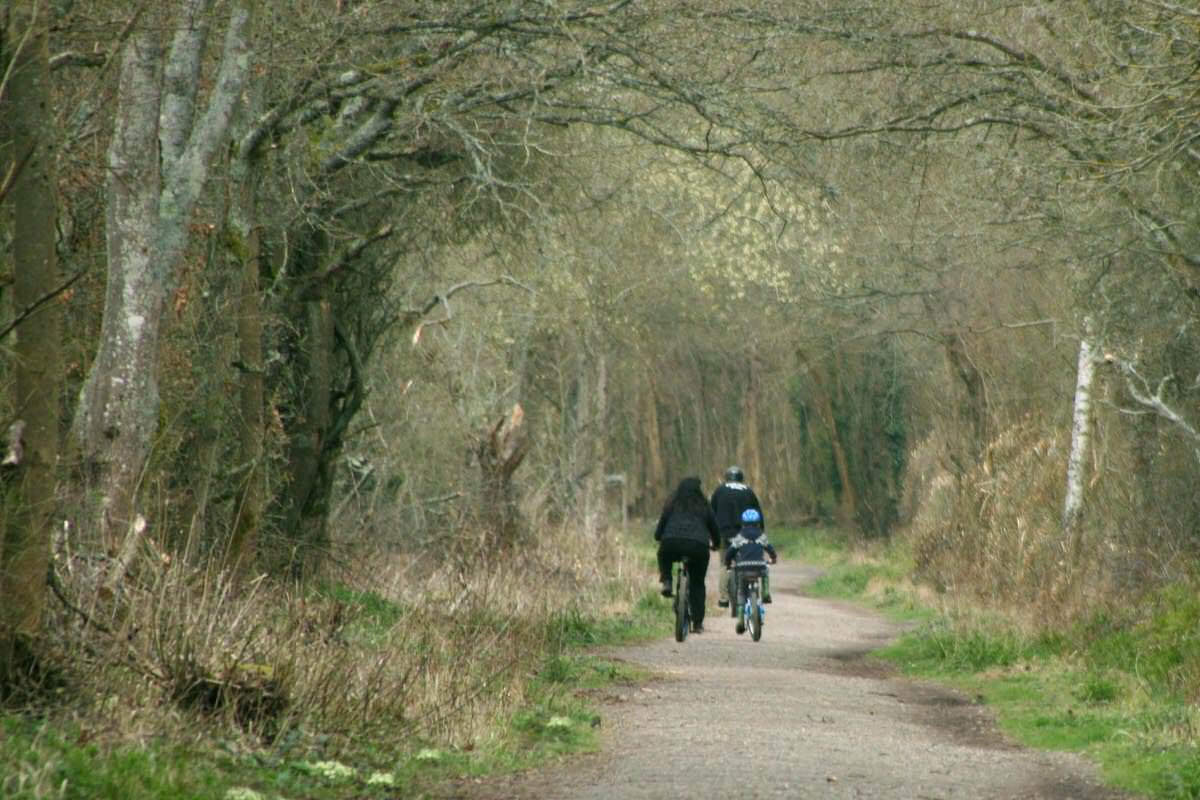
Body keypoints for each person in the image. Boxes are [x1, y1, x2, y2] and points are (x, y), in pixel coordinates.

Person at [654, 476, 720, 633]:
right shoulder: (704, 505)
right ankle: (697, 624)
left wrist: (659, 537)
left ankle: (667, 581)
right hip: (698, 547)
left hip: (672, 543)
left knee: (663, 555)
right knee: (697, 584)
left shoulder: (671, 503)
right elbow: (714, 528)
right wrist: (716, 544)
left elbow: (661, 525)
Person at [709, 465, 763, 607]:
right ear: (741, 478)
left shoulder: (719, 490)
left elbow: (710, 513)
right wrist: (760, 532)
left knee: (724, 564)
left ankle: (723, 598)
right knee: (745, 561)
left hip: (724, 533)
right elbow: (758, 514)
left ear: (727, 478)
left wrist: (711, 536)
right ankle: (745, 592)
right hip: (745, 534)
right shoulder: (748, 491)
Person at [724, 508, 777, 634]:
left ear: (743, 523)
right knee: (765, 571)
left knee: (741, 592)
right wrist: (773, 558)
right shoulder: (761, 535)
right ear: (758, 523)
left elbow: (730, 552)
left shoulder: (740, 536)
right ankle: (765, 592)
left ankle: (741, 620)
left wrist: (727, 563)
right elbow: (770, 549)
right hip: (759, 566)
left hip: (743, 567)